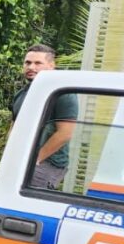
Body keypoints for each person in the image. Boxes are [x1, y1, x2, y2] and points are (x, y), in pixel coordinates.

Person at [10, 44, 78, 191]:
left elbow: (65, 133)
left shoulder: (63, 93)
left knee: (28, 205)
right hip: (19, 159)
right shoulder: (22, 93)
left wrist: (36, 159)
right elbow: (15, 127)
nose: (31, 67)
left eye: (38, 63)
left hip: (48, 162)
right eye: (28, 62)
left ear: (51, 65)